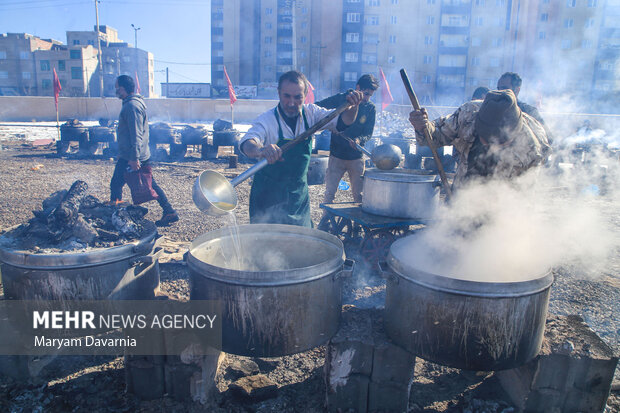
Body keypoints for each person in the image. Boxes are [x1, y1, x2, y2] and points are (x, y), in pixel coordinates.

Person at [239, 70, 363, 227]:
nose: (291, 103)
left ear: (305, 95)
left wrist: (352, 108)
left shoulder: (312, 114)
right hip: (268, 197)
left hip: (298, 197)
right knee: (266, 246)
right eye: (287, 96)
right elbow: (247, 143)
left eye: (297, 97)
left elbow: (343, 122)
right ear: (279, 93)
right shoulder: (267, 120)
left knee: (303, 244)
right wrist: (260, 150)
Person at [409, 89, 551, 189]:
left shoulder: (532, 148)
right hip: (462, 192)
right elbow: (435, 136)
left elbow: (522, 199)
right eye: (487, 139)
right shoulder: (468, 114)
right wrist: (423, 127)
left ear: (513, 134)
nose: (491, 147)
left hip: (502, 204)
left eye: (499, 142)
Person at [110, 75, 178, 226]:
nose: (116, 91)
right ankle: (169, 211)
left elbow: (136, 134)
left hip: (132, 155)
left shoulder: (131, 106)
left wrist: (134, 158)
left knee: (116, 184)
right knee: (150, 184)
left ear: (123, 88)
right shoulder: (132, 103)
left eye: (117, 88)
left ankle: (116, 218)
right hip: (135, 154)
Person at [316, 74, 379, 208]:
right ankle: (325, 221)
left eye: (370, 95)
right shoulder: (341, 98)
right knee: (329, 194)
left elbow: (368, 133)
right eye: (366, 93)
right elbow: (317, 107)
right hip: (336, 156)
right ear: (358, 88)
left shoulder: (370, 108)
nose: (367, 98)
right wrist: (329, 124)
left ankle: (357, 226)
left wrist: (359, 140)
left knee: (359, 195)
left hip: (356, 158)